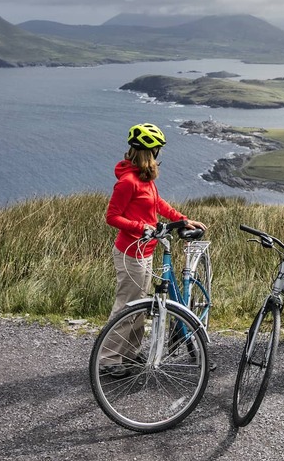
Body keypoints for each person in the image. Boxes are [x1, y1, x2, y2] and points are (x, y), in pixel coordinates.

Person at [101, 122, 206, 377]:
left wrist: (182, 218)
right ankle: (107, 360)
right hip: (130, 253)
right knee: (127, 307)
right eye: (157, 149)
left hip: (145, 251)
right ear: (151, 151)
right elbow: (112, 216)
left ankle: (127, 352)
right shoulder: (128, 181)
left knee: (141, 306)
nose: (159, 153)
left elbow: (157, 203)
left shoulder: (144, 178)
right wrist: (141, 227)